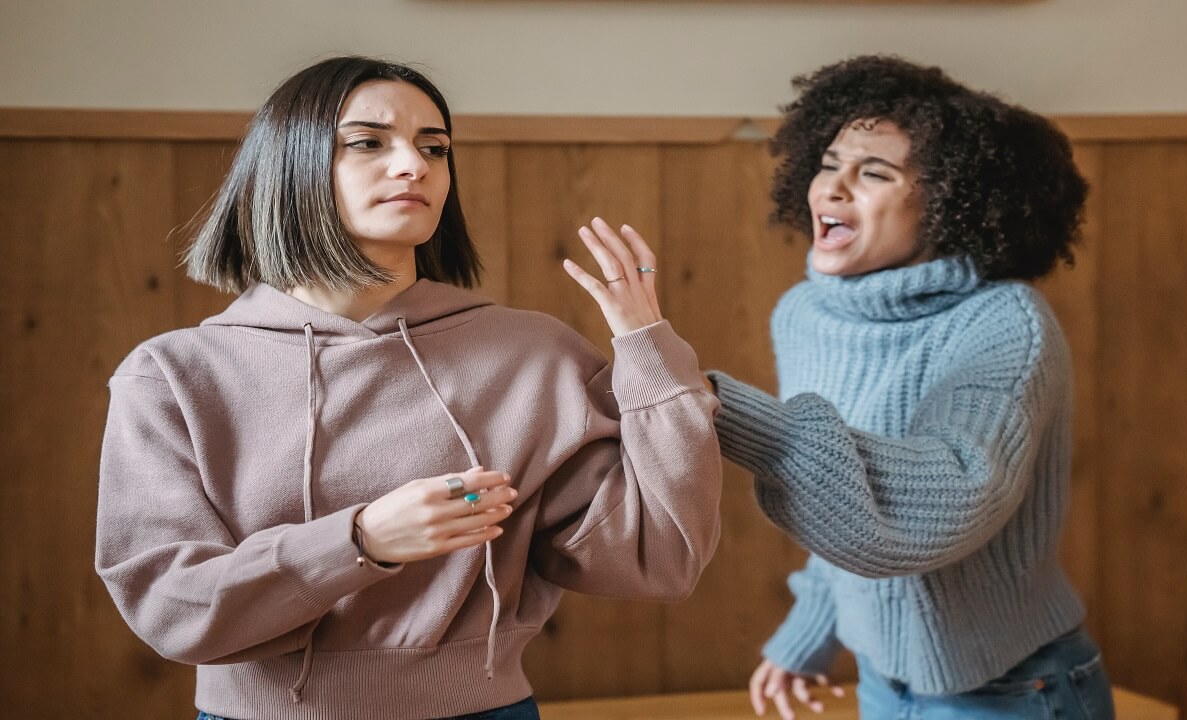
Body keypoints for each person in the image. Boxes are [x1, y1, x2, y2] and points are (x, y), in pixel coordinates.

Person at [94, 56, 722, 720]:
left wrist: (647, 347)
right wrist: (360, 541)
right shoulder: (173, 376)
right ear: (291, 167)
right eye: (369, 142)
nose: (414, 166)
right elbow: (170, 607)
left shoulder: (533, 356)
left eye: (434, 147)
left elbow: (663, 558)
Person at [706, 55, 1115, 720]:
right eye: (829, 161)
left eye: (873, 173)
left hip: (1013, 689)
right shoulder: (805, 315)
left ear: (953, 201)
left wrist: (728, 412)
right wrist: (809, 632)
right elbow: (842, 486)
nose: (832, 189)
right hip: (881, 680)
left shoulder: (1005, 325)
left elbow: (940, 506)